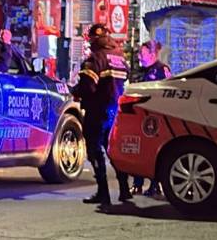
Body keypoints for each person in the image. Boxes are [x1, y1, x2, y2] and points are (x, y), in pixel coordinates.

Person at [72, 23, 131, 205]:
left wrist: (74, 90)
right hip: (116, 111)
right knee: (113, 150)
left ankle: (103, 192)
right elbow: (127, 76)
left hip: (97, 111)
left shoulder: (95, 58)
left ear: (93, 40)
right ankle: (124, 189)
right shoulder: (119, 56)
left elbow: (88, 87)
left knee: (94, 150)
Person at [129, 40, 171, 197]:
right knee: (137, 151)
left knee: (153, 151)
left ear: (153, 54)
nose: (139, 56)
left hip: (154, 119)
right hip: (139, 116)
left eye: (142, 53)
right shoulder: (140, 71)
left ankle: (155, 185)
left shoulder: (162, 70)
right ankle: (137, 184)